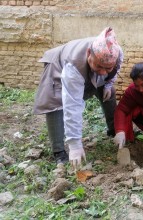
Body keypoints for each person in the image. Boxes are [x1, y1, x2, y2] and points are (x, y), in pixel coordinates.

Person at [33, 27, 123, 169]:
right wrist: (75, 143)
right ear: (89, 54)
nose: (103, 72)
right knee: (56, 103)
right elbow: (72, 105)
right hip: (57, 65)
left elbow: (115, 68)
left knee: (109, 91)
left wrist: (108, 84)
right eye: (99, 66)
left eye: (107, 68)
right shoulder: (73, 67)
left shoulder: (115, 52)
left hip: (86, 66)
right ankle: (59, 151)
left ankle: (114, 130)